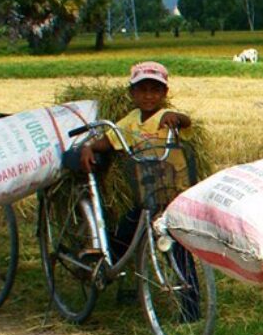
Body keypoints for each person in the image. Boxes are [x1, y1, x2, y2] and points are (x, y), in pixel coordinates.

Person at [74, 61, 192, 261]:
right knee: (128, 227)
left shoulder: (167, 117)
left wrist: (176, 117)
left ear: (164, 93)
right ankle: (110, 263)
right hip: (147, 188)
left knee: (177, 240)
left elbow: (186, 121)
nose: (148, 96)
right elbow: (110, 140)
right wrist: (88, 147)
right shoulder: (131, 120)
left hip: (174, 186)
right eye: (142, 90)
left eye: (155, 90)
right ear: (132, 93)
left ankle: (189, 291)